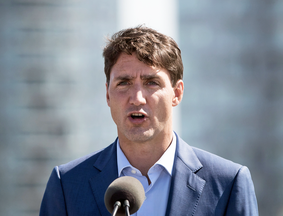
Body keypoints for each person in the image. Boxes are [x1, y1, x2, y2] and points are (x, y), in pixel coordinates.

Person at [39, 26, 258, 216]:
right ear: (107, 95)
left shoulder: (228, 183)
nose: (137, 98)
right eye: (124, 83)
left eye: (151, 82)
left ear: (177, 93)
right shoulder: (67, 184)